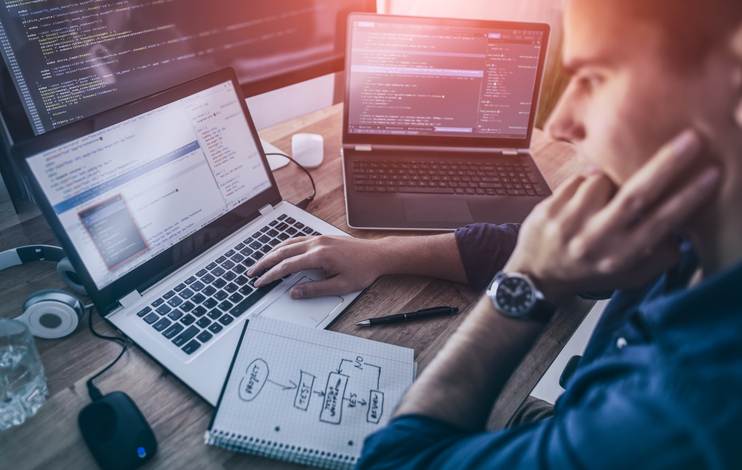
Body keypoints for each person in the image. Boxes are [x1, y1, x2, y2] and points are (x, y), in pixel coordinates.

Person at [249, 0, 742, 466]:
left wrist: (527, 277)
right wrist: (380, 254)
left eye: (594, 78)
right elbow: (583, 262)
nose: (561, 123)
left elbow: (398, 460)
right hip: (569, 412)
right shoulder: (687, 228)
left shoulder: (677, 416)